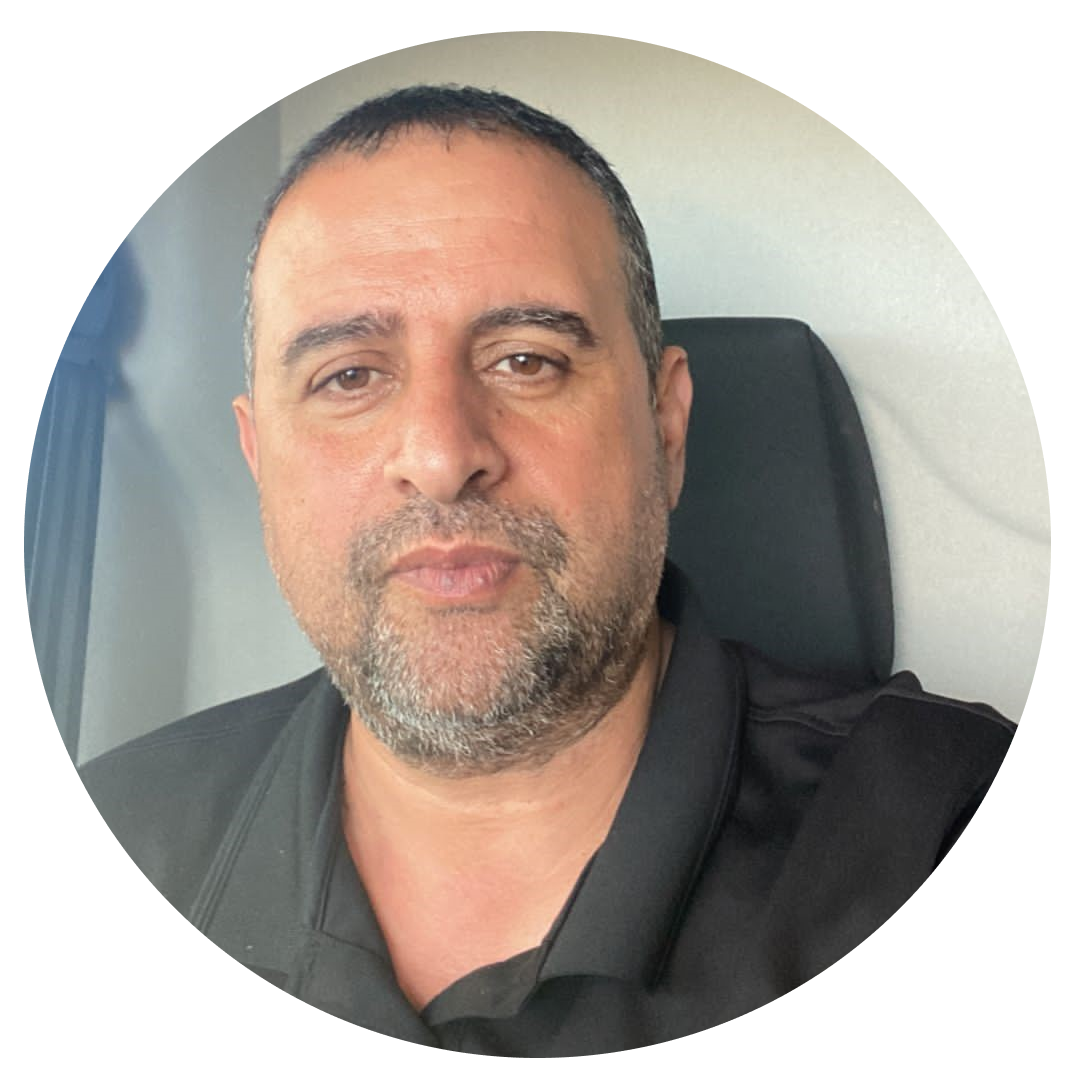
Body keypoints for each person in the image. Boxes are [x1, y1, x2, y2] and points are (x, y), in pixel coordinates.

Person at [79, 85, 1015, 1054]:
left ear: (666, 426)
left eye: (527, 360)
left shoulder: (934, 824)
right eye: (348, 375)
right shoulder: (127, 822)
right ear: (259, 459)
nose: (442, 455)